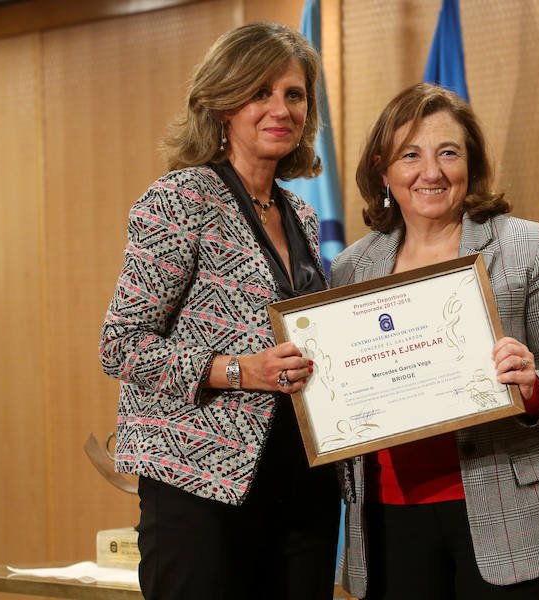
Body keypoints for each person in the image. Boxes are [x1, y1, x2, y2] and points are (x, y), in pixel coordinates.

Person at [331, 83, 539, 600]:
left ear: (471, 163)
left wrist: (533, 388)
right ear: (383, 169)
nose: (430, 172)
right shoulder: (351, 268)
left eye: (448, 153)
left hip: (513, 518)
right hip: (389, 520)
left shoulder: (528, 246)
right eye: (410, 155)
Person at [99, 22, 340, 600]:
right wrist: (239, 370)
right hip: (199, 485)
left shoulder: (302, 217)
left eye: (294, 94)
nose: (279, 108)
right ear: (223, 104)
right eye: (259, 92)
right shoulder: (180, 199)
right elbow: (122, 345)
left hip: (302, 481)